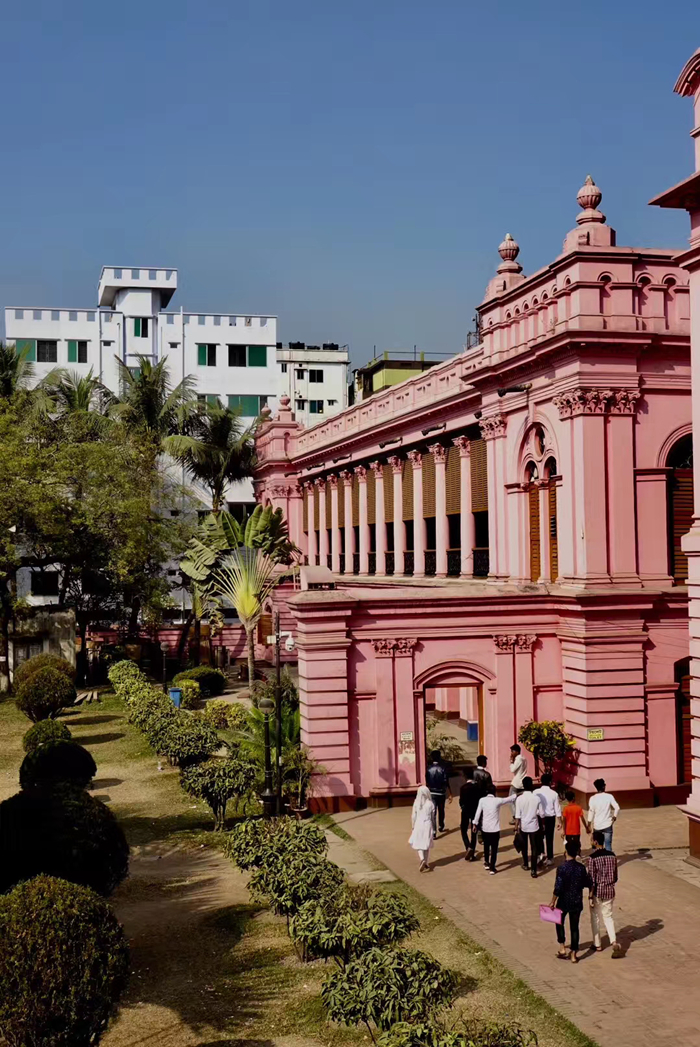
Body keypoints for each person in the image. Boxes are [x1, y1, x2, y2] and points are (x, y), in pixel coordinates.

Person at [551, 839, 592, 963]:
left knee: (559, 922)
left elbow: (558, 887)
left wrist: (553, 901)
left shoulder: (562, 868)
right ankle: (574, 954)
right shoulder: (581, 868)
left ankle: (562, 947)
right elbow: (587, 883)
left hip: (563, 900)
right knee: (575, 927)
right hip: (576, 901)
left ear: (566, 852)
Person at [587, 829, 621, 957]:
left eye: (592, 840)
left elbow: (591, 879)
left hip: (597, 891)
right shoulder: (612, 855)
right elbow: (615, 876)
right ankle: (613, 941)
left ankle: (597, 944)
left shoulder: (592, 858)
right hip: (610, 890)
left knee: (595, 917)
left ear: (595, 842)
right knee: (608, 916)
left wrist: (590, 895)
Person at [472, 786, 515, 873]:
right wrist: (517, 794)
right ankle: (492, 868)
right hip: (495, 829)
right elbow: (509, 799)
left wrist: (474, 824)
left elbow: (478, 813)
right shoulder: (497, 800)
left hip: (485, 828)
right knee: (494, 849)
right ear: (495, 792)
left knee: (486, 846)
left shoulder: (482, 800)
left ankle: (486, 863)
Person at [515, 776, 545, 877]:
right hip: (534, 826)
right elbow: (542, 814)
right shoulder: (536, 798)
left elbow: (517, 816)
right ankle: (533, 870)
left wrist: (516, 827)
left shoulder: (519, 799)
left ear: (523, 786)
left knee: (524, 846)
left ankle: (525, 864)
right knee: (534, 848)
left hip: (523, 826)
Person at [535, 772, 563, 866]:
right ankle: (550, 857)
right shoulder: (554, 794)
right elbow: (557, 809)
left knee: (539, 837)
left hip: (539, 817)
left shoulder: (536, 792)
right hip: (550, 818)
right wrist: (560, 822)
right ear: (550, 782)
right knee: (549, 838)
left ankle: (541, 853)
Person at [587, 779, 620, 852]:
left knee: (597, 846)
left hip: (597, 826)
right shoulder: (609, 796)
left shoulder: (592, 798)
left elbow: (591, 812)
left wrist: (588, 824)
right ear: (603, 787)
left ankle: (597, 858)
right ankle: (609, 859)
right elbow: (617, 807)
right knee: (608, 845)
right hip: (607, 824)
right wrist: (614, 817)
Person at [409, 785, 436, 872]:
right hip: (428, 824)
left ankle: (422, 859)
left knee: (418, 842)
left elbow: (413, 816)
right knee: (426, 843)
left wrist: (413, 826)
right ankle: (426, 862)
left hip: (418, 824)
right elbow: (433, 817)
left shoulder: (416, 803)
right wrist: (433, 826)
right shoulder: (430, 803)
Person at [426, 750, 452, 833]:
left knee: (433, 811)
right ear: (439, 757)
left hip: (432, 792)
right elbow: (446, 781)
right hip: (441, 792)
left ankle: (433, 831)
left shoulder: (428, 769)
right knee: (441, 810)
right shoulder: (443, 768)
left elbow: (427, 781)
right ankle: (441, 825)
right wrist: (450, 792)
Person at [459, 769, 482, 860]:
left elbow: (461, 802)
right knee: (474, 831)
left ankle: (468, 847)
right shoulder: (478, 787)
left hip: (465, 811)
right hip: (475, 811)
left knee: (463, 830)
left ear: (465, 777)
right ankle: (472, 850)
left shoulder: (463, 788)